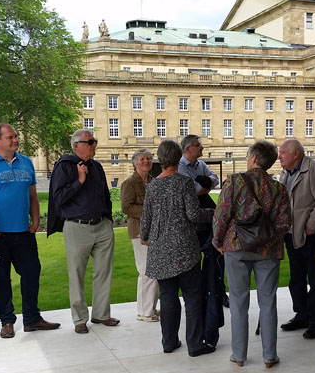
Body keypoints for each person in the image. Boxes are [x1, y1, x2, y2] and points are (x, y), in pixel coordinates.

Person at [0, 123, 60, 339]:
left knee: (31, 273)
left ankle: (32, 318)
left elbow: (32, 195)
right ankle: (7, 321)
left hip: (23, 232)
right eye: (10, 137)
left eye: (16, 136)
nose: (15, 140)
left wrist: (36, 221)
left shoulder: (26, 162)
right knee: (1, 277)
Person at [212, 141, 290, 368]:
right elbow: (284, 224)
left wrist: (217, 241)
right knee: (268, 302)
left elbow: (221, 214)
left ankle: (239, 355)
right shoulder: (279, 188)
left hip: (236, 246)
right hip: (268, 250)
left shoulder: (234, 181)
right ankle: (269, 356)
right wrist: (267, 240)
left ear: (254, 158)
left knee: (238, 302)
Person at [140, 139, 215, 357]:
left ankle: (169, 342)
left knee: (168, 297)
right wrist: (213, 213)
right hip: (185, 249)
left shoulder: (152, 186)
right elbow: (194, 214)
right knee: (192, 297)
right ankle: (195, 344)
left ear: (160, 159)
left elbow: (146, 219)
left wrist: (144, 236)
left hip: (160, 250)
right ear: (178, 157)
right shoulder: (184, 183)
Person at [47, 129, 118, 334]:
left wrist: (108, 219)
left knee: (104, 272)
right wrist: (79, 181)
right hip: (77, 227)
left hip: (102, 227)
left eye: (94, 141)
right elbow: (58, 199)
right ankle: (80, 319)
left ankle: (101, 314)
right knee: (76, 274)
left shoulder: (97, 167)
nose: (94, 145)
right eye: (90, 142)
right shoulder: (64, 166)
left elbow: (105, 195)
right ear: (76, 145)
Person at [277, 139, 315, 339]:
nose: (279, 156)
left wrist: (312, 225)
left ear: (296, 154)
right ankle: (302, 315)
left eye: (283, 152)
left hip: (310, 236)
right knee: (296, 279)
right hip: (291, 234)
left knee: (314, 280)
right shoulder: (286, 172)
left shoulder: (313, 169)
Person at [179, 134, 226, 347]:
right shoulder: (181, 167)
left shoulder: (201, 164)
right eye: (199, 145)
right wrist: (203, 185)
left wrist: (204, 184)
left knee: (214, 262)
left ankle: (217, 293)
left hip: (207, 224)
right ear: (188, 148)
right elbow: (191, 191)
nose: (202, 148)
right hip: (193, 224)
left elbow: (213, 178)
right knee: (194, 266)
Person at [121, 148, 160, 322]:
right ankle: (144, 312)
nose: (146, 161)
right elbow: (126, 207)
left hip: (155, 230)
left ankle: (150, 307)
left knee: (155, 269)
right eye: (142, 159)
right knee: (145, 270)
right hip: (138, 230)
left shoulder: (154, 181)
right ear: (135, 162)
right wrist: (150, 211)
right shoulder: (130, 183)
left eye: (148, 159)